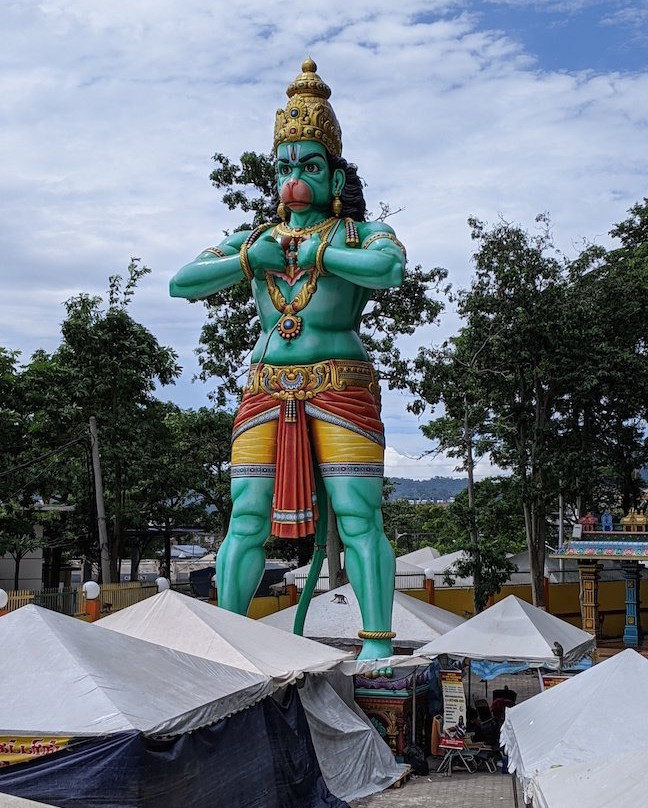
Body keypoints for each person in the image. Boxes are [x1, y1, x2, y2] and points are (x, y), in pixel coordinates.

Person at [170, 58, 406, 660]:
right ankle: (227, 641)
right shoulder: (253, 242)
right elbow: (183, 282)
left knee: (358, 515)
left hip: (339, 384)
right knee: (245, 515)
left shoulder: (359, 235)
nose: (294, 180)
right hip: (265, 387)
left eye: (308, 166)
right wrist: (255, 261)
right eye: (283, 167)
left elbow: (389, 270)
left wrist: (314, 252)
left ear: (333, 179)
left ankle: (377, 643)